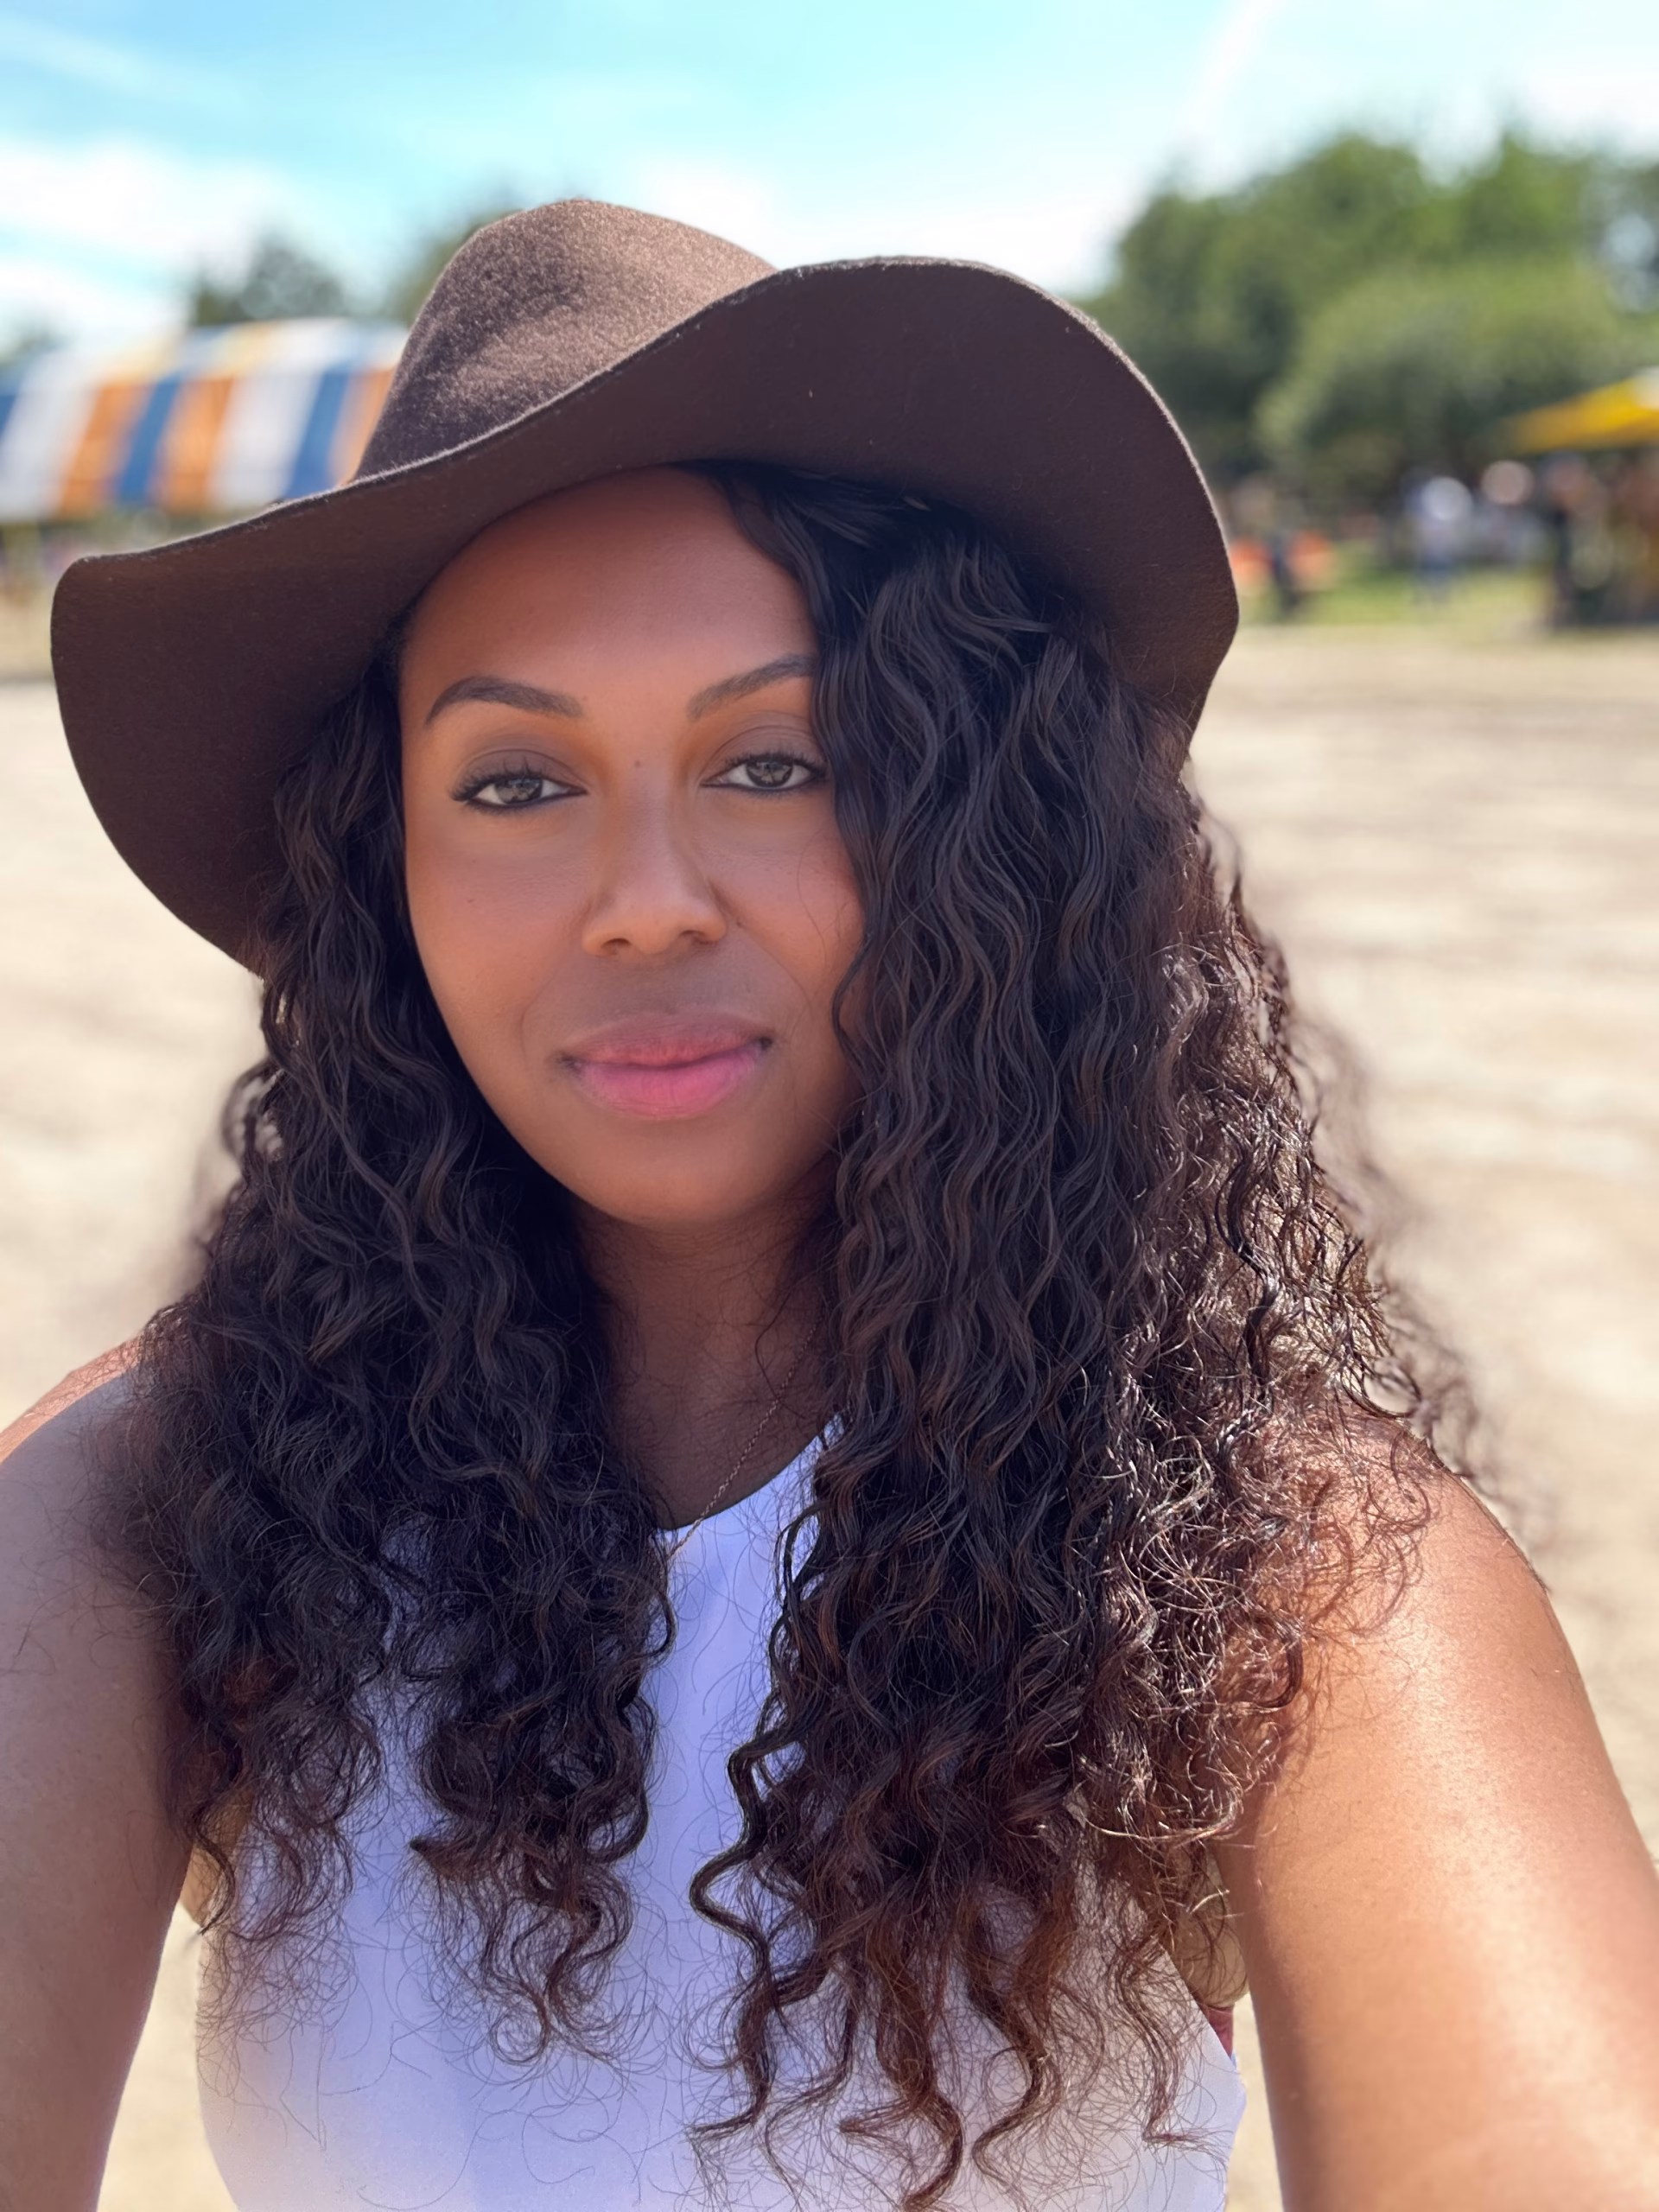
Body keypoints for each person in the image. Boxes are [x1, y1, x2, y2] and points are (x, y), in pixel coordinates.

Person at [4, 202, 1659, 2212]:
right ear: (386, 871)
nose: (646, 899)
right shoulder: (166, 1507)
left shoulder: (1262, 1559)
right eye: (514, 782)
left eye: (775, 759)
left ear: (969, 822)